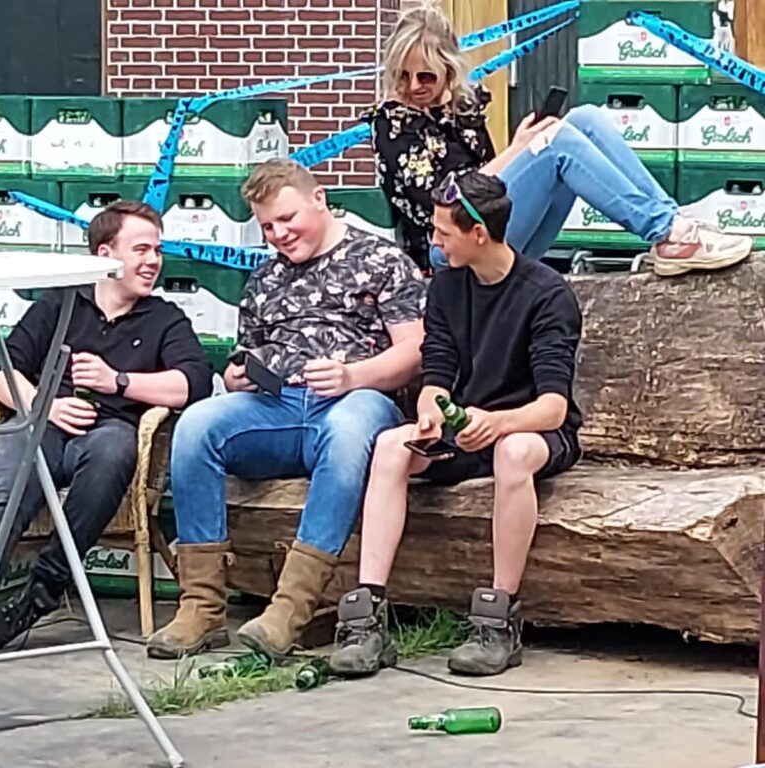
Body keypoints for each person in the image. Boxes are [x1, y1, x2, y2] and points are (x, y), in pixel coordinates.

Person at [146, 159, 427, 661]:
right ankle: (201, 607)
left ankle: (290, 609)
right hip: (275, 406)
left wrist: (353, 375)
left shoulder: (382, 260)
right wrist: (238, 373)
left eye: (287, 219)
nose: (278, 234)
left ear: (319, 198)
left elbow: (415, 351)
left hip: (357, 400)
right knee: (197, 424)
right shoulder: (265, 276)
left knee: (349, 426)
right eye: (267, 226)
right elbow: (246, 350)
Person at [0, 201, 213, 660]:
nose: (154, 260)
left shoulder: (163, 318)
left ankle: (43, 590)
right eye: (141, 250)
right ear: (105, 254)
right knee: (12, 478)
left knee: (114, 447)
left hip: (107, 433)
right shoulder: (60, 305)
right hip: (44, 424)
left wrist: (118, 381)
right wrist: (44, 405)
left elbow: (194, 383)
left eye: (157, 250)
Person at [329, 171, 583, 678]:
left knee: (513, 453)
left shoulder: (546, 293)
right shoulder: (446, 287)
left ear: (478, 234)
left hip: (532, 429)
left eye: (443, 232)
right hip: (465, 427)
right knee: (392, 445)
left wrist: (498, 422)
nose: (435, 241)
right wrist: (431, 408)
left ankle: (498, 618)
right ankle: (367, 617)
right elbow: (437, 371)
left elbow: (553, 407)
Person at [367, 4, 754, 277]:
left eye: (426, 76)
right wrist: (519, 150)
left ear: (449, 71)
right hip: (449, 254)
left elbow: (487, 183)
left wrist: (521, 149)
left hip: (490, 232)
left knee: (585, 118)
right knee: (558, 144)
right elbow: (448, 203)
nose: (413, 86)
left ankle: (672, 224)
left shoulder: (462, 109)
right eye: (403, 76)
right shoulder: (391, 124)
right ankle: (667, 232)